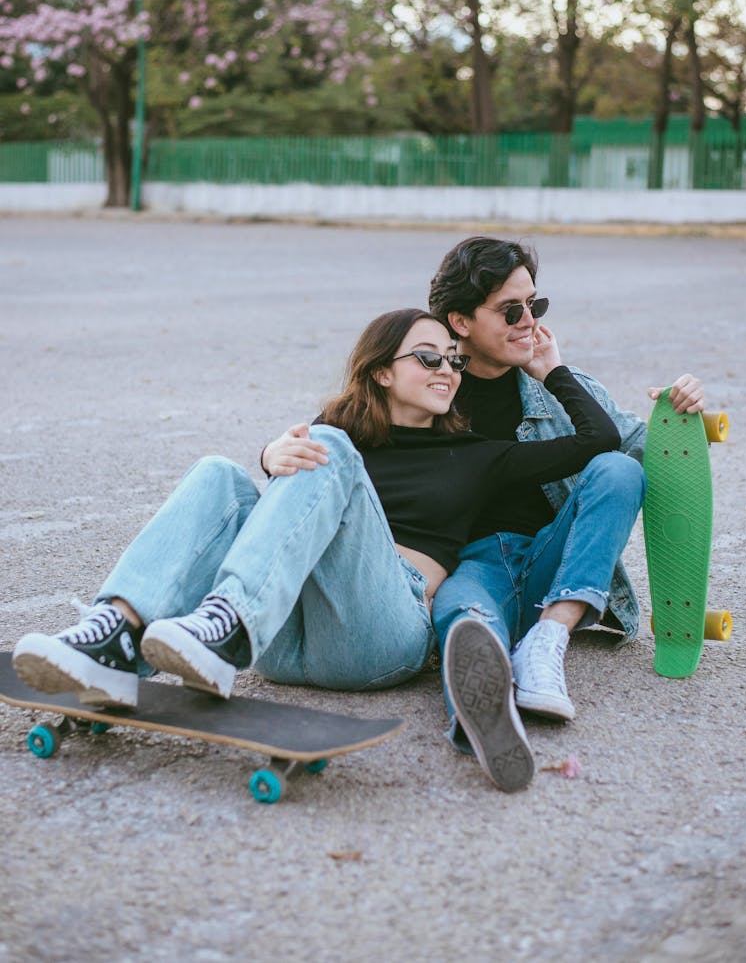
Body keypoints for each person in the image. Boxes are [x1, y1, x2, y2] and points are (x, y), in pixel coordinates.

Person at [13, 306, 622, 792]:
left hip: (380, 634)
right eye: (429, 357)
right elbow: (283, 510)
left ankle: (224, 625)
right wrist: (266, 459)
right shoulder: (338, 436)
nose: (448, 370)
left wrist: (551, 369)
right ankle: (116, 633)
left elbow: (601, 440)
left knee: (326, 448)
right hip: (281, 638)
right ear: (382, 370)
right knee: (218, 475)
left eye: (455, 361)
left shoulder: (480, 455)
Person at [425, 236, 703, 762]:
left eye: (536, 305)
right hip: (473, 564)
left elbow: (649, 452)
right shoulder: (429, 387)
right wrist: (277, 451)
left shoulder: (559, 386)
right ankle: (482, 716)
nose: (528, 321)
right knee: (465, 623)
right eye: (511, 311)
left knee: (617, 470)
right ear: (460, 321)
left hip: (556, 563)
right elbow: (357, 435)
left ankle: (547, 642)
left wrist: (678, 410)